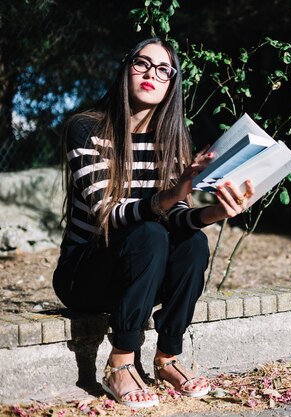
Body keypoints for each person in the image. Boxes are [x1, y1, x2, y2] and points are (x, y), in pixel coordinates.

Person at [52, 37, 254, 408]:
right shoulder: (86, 129)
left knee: (192, 243)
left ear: (172, 83)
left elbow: (175, 217)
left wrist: (216, 213)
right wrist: (177, 189)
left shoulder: (172, 139)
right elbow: (109, 214)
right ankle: (121, 362)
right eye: (142, 64)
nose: (151, 74)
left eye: (163, 69)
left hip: (141, 272)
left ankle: (167, 359)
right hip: (85, 273)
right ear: (126, 69)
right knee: (146, 232)